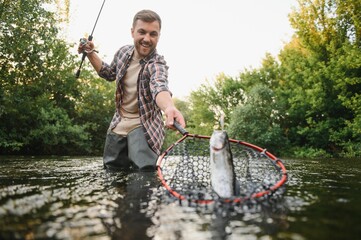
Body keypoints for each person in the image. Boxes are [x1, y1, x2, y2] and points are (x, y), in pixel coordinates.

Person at [78, 9, 185, 171]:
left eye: (153, 34)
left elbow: (159, 86)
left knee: (144, 173)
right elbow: (108, 73)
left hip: (144, 126)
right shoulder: (123, 52)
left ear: (159, 36)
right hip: (119, 123)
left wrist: (169, 107)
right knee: (111, 173)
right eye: (142, 32)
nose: (147, 39)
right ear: (132, 32)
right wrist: (90, 53)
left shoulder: (157, 64)